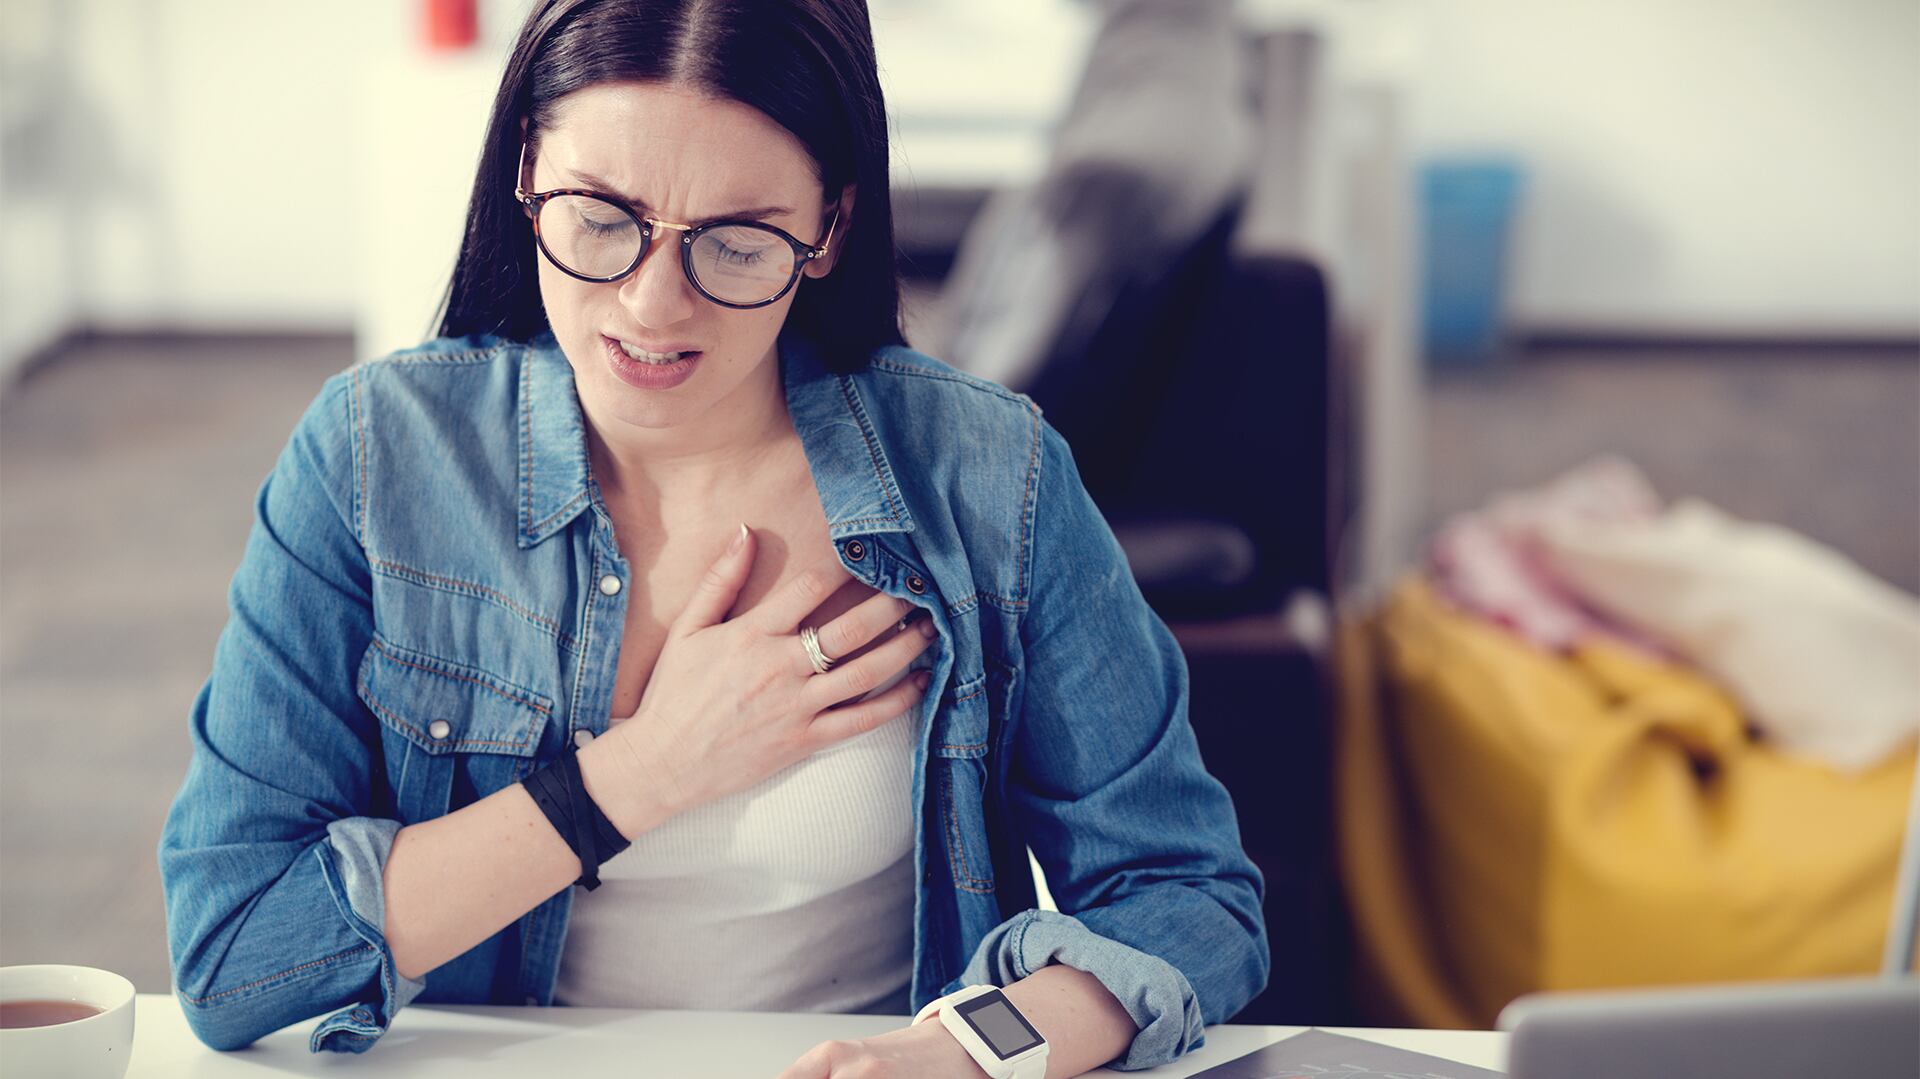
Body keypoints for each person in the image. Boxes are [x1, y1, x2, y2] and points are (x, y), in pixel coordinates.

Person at [156, 1, 1268, 1074]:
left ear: (829, 226)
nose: (650, 305)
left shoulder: (987, 475)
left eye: (734, 244)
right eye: (598, 218)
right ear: (524, 173)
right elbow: (234, 953)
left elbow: (1187, 894)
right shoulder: (373, 457)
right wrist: (641, 772)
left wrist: (972, 1051)